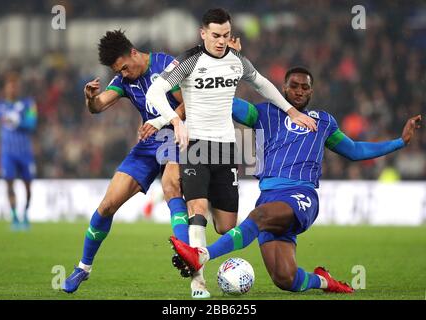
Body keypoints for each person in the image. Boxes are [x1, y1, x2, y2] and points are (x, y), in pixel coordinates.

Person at [169, 66, 422, 294]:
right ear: (283, 88)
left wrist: (400, 142)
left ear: (311, 91)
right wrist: (192, 83)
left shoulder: (323, 122)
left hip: (300, 195)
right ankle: (324, 281)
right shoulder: (262, 113)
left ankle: (201, 255)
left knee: (258, 217)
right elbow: (226, 103)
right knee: (286, 279)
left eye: (305, 87)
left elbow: (355, 151)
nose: (299, 91)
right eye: (294, 86)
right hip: (268, 195)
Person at [146, 8, 317, 298]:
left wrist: (291, 111)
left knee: (226, 226)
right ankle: (198, 284)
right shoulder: (190, 60)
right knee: (197, 211)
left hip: (226, 151)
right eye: (215, 35)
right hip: (196, 146)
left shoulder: (236, 61)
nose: (221, 41)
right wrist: (174, 121)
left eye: (226, 35)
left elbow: (262, 83)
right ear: (203, 34)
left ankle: (197, 217)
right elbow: (154, 92)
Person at [62, 29, 189, 293]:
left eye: (123, 68)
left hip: (176, 137)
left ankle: (186, 255)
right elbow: (98, 107)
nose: (123, 74)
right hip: (148, 144)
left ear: (133, 53)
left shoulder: (166, 65)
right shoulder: (123, 79)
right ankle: (83, 268)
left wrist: (160, 122)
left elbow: (188, 104)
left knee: (170, 187)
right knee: (108, 204)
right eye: (117, 71)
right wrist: (89, 98)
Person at [0, 71, 37, 230]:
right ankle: (14, 217)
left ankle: (25, 214)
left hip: (25, 153)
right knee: (9, 184)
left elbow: (32, 124)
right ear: (5, 89)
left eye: (15, 86)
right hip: (7, 154)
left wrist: (17, 121)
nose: (12, 89)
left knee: (27, 186)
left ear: (18, 88)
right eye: (9, 86)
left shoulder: (28, 104)